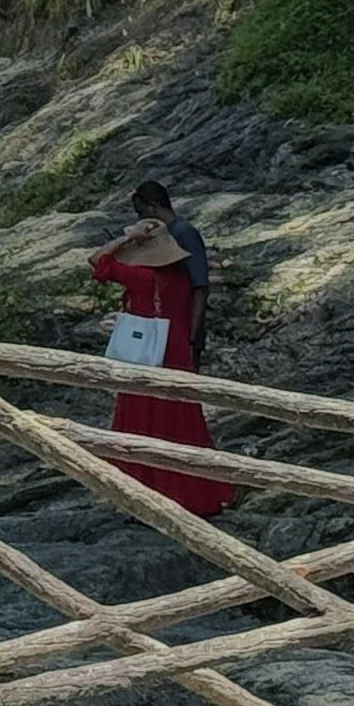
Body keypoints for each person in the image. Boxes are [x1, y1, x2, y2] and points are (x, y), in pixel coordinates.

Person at [90, 214, 235, 517]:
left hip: (147, 356)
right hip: (176, 352)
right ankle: (199, 491)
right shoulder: (180, 280)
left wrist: (128, 239)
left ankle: (146, 490)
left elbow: (97, 260)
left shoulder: (141, 278)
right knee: (181, 422)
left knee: (143, 420)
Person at [133, 181, 212, 365]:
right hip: (165, 328)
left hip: (184, 330)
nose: (139, 219)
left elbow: (200, 286)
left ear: (154, 207)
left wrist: (191, 336)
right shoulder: (165, 235)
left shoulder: (184, 233)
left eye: (141, 212)